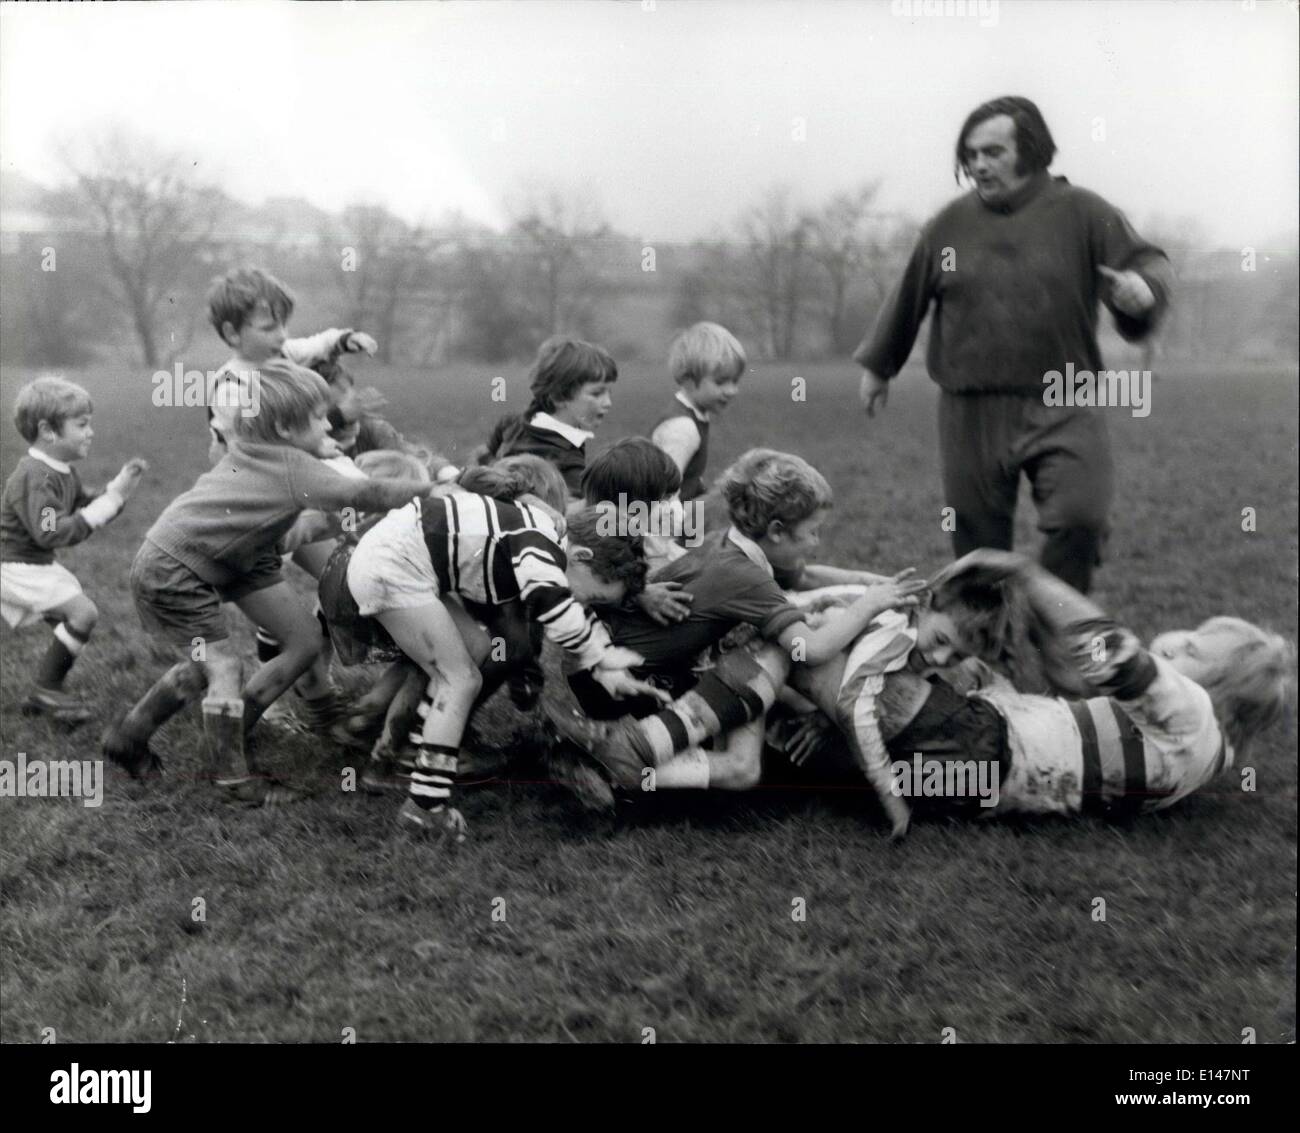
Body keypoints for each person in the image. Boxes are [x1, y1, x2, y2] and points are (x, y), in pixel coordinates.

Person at [853, 95, 1172, 593]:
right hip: (971, 407)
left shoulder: (1085, 213)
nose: (979, 164)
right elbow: (909, 293)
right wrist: (879, 366)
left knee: (1081, 519)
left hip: (1066, 396)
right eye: (971, 154)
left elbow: (1148, 262)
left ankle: (1056, 629)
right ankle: (989, 651)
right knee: (978, 552)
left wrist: (1143, 292)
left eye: (993, 152)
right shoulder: (949, 225)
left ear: (1033, 150)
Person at [103, 359, 439, 806]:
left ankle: (181, 733)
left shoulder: (258, 449)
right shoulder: (289, 465)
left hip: (235, 557)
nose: (329, 424)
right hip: (176, 567)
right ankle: (231, 780)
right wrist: (431, 490)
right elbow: (364, 495)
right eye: (320, 417)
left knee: (301, 640)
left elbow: (317, 516)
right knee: (220, 665)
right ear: (283, 426)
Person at [317, 470, 663, 841]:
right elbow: (554, 606)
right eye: (593, 596)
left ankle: (421, 750)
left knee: (475, 651)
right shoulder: (541, 545)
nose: (584, 603)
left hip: (396, 559)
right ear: (579, 556)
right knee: (460, 679)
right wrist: (603, 658)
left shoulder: (544, 533)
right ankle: (424, 806)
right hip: (392, 566)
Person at [0, 377, 146, 722]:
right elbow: (51, 532)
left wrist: (116, 491)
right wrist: (107, 503)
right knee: (83, 613)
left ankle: (45, 690)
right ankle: (46, 688)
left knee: (77, 614)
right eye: (81, 424)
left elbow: (83, 504)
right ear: (48, 431)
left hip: (33, 564)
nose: (90, 432)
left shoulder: (60, 471)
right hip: (17, 566)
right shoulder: (37, 477)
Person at [204, 266, 378, 462]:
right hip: (248, 473)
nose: (282, 335)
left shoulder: (284, 353)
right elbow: (256, 443)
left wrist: (347, 339)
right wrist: (317, 445)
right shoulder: (231, 386)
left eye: (283, 325)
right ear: (232, 333)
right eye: (268, 328)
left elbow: (319, 344)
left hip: (287, 461)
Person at [478, 335, 617, 501]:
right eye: (597, 393)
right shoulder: (568, 461)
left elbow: (483, 460)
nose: (608, 403)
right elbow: (575, 513)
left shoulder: (511, 422)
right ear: (558, 397)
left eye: (609, 392)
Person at [650, 322, 746, 501]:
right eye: (721, 382)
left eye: (735, 381)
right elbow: (663, 492)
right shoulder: (682, 428)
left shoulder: (694, 416)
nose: (732, 391)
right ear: (688, 379)